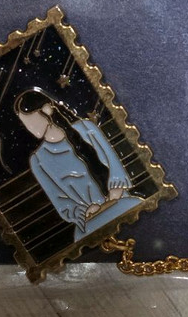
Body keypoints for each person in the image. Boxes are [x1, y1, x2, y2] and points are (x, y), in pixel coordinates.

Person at [14, 88, 139, 241]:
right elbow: (60, 200)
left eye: (31, 120)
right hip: (91, 221)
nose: (29, 127)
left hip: (121, 201)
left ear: (47, 109)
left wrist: (116, 190)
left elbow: (113, 162)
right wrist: (83, 211)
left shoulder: (87, 129)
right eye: (25, 123)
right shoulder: (37, 161)